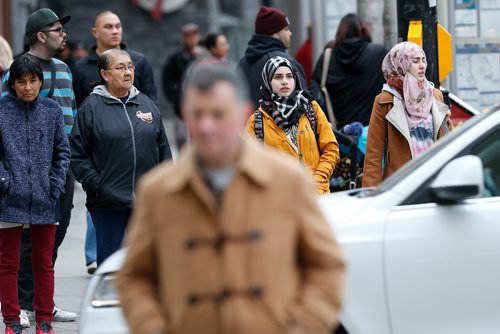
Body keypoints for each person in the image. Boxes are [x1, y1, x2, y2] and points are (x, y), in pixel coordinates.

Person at [116, 62, 345, 334]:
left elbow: (326, 264)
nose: (206, 126)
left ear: (241, 114)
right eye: (197, 114)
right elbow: (133, 276)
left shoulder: (288, 182)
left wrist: (306, 324)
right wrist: (151, 326)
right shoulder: (159, 191)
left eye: (218, 114)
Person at [0, 8, 78, 326]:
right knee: (19, 250)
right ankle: (21, 306)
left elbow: (70, 114)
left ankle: (41, 303)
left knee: (49, 246)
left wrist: (58, 176)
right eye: (58, 29)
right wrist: (6, 179)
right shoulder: (14, 73)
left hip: (56, 169)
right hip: (17, 179)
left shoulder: (63, 68)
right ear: (42, 35)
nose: (64, 35)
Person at [70, 49, 172, 266]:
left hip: (146, 201)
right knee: (110, 266)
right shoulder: (91, 108)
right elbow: (77, 153)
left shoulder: (146, 104)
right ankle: (110, 301)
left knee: (149, 264)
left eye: (130, 67)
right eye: (120, 67)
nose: (128, 72)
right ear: (105, 75)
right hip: (108, 201)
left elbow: (163, 148)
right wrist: (97, 185)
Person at [362, 41, 453, 188]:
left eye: (423, 60)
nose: (422, 65)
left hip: (434, 182)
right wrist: (369, 193)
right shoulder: (384, 101)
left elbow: (448, 141)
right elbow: (373, 155)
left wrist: (447, 122)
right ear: (401, 64)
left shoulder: (435, 95)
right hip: (401, 185)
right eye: (415, 61)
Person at [245, 56, 339, 195]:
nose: (285, 81)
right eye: (278, 77)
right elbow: (249, 164)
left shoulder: (310, 107)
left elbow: (330, 148)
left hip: (317, 197)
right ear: (267, 81)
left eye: (289, 76)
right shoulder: (256, 121)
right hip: (278, 202)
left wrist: (318, 182)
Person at [311, 13, 388, 128]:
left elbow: (313, 93)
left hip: (340, 135)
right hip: (374, 133)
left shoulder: (327, 58)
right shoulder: (379, 53)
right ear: (364, 30)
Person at [73, 10, 157, 106]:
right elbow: (78, 107)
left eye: (118, 26)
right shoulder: (81, 67)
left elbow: (151, 101)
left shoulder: (139, 61)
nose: (115, 31)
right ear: (95, 32)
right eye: (108, 27)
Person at [238, 5, 306, 108]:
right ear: (274, 33)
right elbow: (303, 103)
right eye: (286, 29)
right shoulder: (285, 63)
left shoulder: (242, 63)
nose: (290, 33)